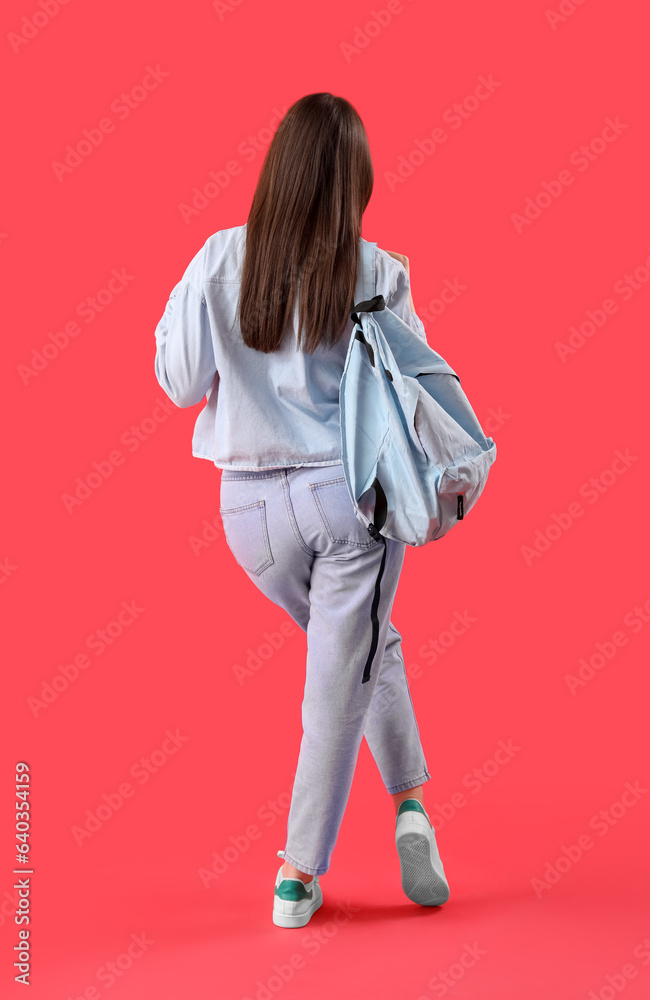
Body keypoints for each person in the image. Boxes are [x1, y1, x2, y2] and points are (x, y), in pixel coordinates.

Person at [153, 92, 450, 929]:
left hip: (246, 514)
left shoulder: (218, 258)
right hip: (347, 501)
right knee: (334, 685)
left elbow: (178, 385)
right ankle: (295, 876)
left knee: (358, 649)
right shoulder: (376, 269)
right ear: (355, 180)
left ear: (276, 168)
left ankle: (411, 806)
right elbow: (414, 396)